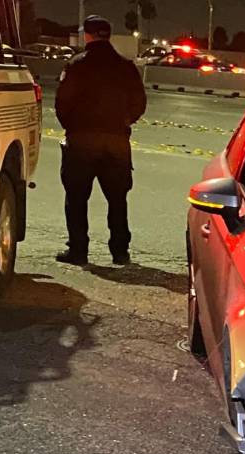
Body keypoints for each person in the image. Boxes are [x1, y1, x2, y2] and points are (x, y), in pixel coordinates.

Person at [54, 15, 147, 266]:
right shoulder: (126, 66)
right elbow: (140, 103)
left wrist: (73, 127)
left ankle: (78, 250)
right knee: (117, 199)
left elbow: (62, 104)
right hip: (116, 141)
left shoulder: (76, 65)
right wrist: (123, 121)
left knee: (76, 198)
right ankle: (119, 251)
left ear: (87, 35)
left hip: (82, 141)